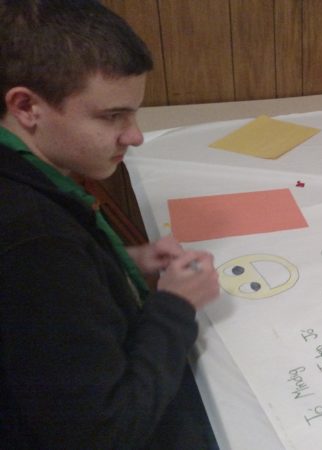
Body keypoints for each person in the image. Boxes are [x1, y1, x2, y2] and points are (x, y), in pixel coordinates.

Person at [0, 1, 221, 448]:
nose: (135, 135)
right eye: (111, 116)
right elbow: (106, 432)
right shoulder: (34, 241)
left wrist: (120, 263)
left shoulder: (27, 180)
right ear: (26, 106)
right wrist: (176, 305)